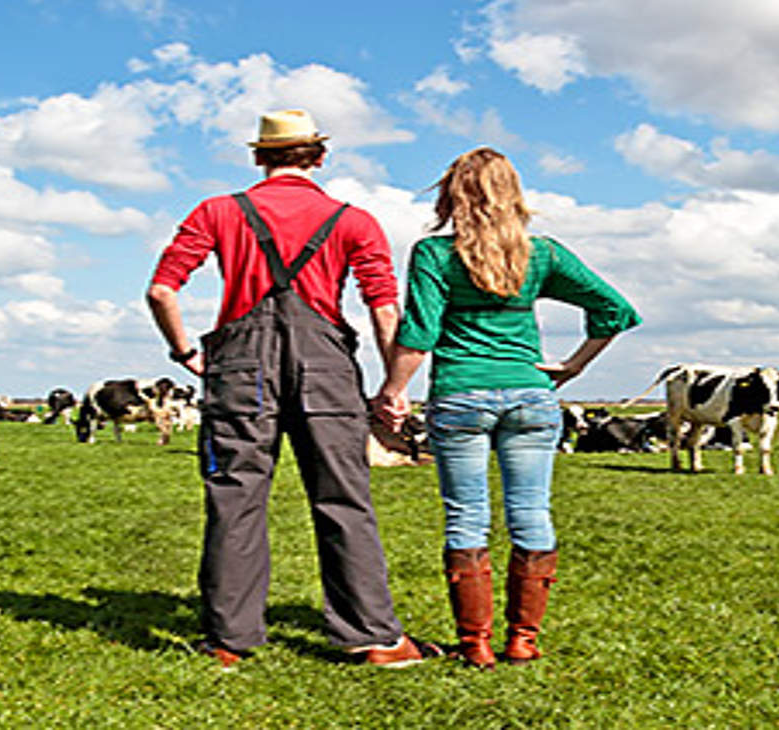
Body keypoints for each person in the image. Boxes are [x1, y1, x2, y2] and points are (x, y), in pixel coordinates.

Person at [146, 109, 439, 669]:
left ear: (259, 158)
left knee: (235, 498)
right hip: (325, 369)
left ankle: (229, 642)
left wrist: (184, 351)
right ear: (320, 158)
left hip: (238, 367)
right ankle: (373, 638)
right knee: (343, 498)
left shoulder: (217, 211)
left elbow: (161, 291)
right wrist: (392, 385)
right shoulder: (353, 220)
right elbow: (383, 308)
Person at [374, 147, 640, 670]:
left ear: (454, 196)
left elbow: (418, 334)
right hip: (531, 397)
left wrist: (393, 390)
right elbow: (616, 309)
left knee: (465, 518)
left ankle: (475, 644)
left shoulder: (433, 255)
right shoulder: (542, 254)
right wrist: (573, 366)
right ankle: (523, 640)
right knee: (531, 514)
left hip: (460, 396)